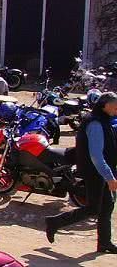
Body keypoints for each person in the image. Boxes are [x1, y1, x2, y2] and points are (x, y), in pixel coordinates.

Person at [45, 92, 117, 254]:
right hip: (95, 172)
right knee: (93, 208)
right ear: (105, 106)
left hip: (102, 171)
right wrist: (109, 177)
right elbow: (96, 155)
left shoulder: (104, 121)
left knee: (107, 206)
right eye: (115, 106)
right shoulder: (95, 124)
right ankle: (54, 222)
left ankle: (104, 243)